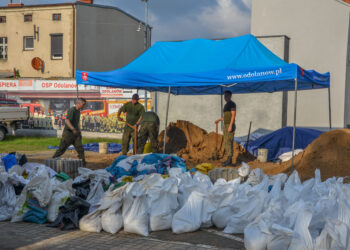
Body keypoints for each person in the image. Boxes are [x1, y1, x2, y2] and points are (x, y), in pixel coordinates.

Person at [52, 98, 87, 166]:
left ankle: (83, 163)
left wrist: (78, 130)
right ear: (78, 103)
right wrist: (73, 129)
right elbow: (67, 121)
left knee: (80, 149)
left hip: (75, 133)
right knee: (61, 149)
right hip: (68, 133)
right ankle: (53, 161)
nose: (83, 106)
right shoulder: (72, 110)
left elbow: (76, 122)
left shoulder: (78, 111)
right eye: (83, 104)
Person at [215, 90, 237, 166]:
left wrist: (230, 125)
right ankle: (229, 159)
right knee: (226, 142)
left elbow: (233, 115)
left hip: (230, 125)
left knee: (228, 142)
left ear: (230, 96)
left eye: (227, 96)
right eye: (225, 96)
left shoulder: (232, 104)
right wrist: (219, 120)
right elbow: (226, 117)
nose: (225, 97)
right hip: (226, 125)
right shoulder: (226, 105)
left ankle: (229, 160)